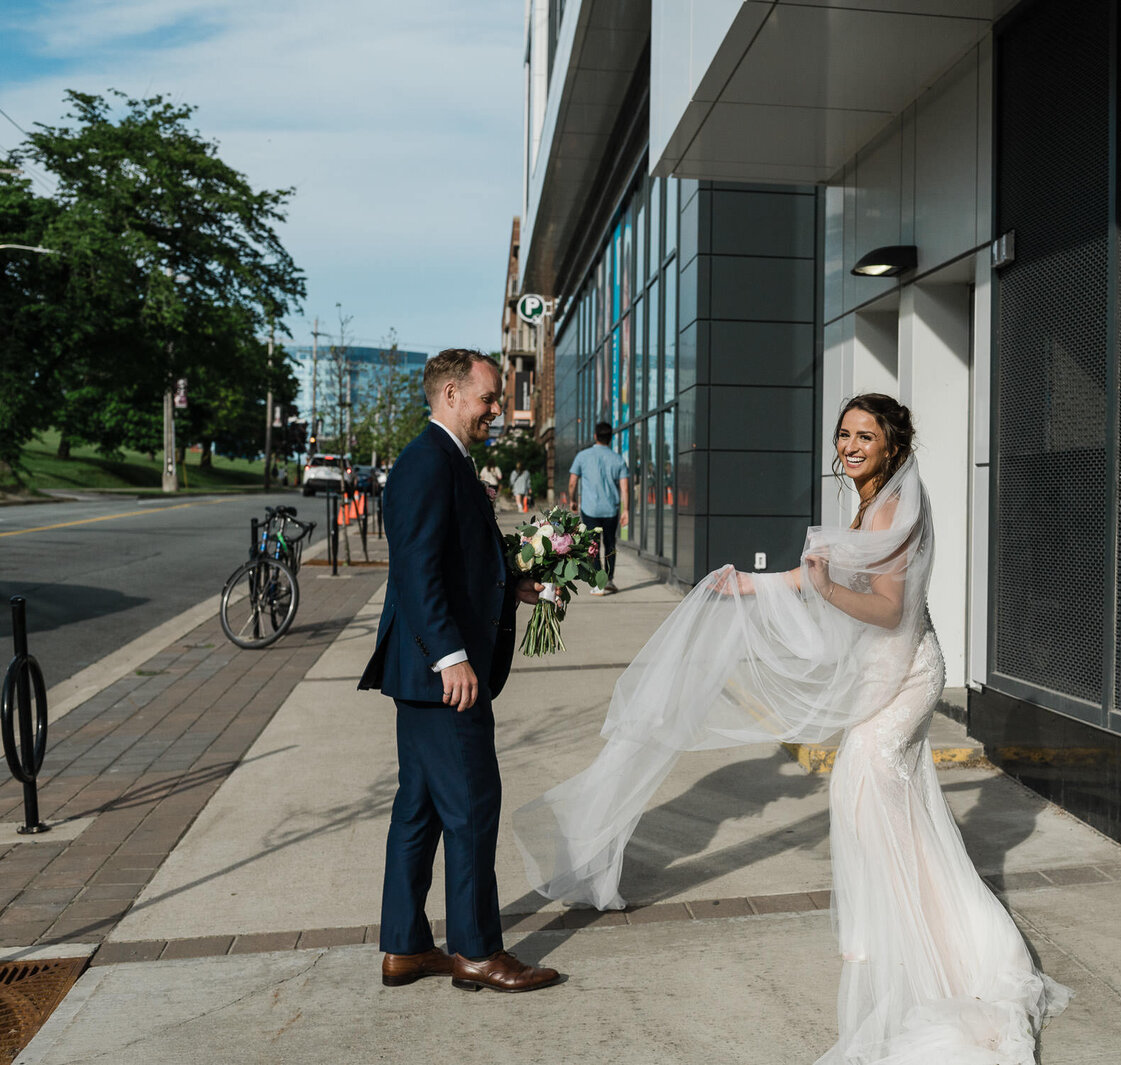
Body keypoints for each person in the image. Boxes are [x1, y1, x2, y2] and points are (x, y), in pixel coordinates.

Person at [515, 394, 1068, 1062]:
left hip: (905, 674)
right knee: (889, 808)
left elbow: (888, 606)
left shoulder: (897, 506)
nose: (852, 444)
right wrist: (750, 587)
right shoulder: (868, 502)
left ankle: (931, 946)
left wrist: (823, 586)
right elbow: (822, 579)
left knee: (868, 794)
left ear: (894, 445)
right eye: (845, 433)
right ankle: (909, 930)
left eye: (867, 435)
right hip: (882, 667)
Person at [358, 348, 561, 994]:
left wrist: (513, 584)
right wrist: (450, 655)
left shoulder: (445, 460)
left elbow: (456, 557)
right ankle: (475, 949)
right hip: (438, 670)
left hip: (419, 672)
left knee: (418, 809)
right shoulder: (426, 461)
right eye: (489, 398)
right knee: (473, 804)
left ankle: (406, 945)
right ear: (450, 393)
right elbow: (415, 570)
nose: (496, 410)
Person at [567, 422, 629, 594]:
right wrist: (626, 510)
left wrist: (572, 500)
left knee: (592, 545)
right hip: (611, 509)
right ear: (611, 438)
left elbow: (572, 482)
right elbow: (624, 488)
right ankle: (608, 580)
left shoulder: (583, 456)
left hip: (590, 509)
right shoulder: (617, 459)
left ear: (595, 436)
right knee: (610, 544)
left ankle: (597, 583)